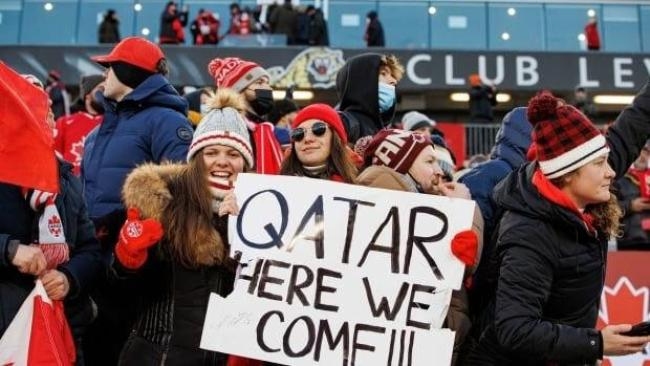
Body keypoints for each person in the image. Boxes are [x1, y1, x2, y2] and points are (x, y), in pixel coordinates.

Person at [464, 84, 650, 365]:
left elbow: (630, 130)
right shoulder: (529, 234)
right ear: (567, 176)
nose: (612, 172)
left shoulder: (585, 192)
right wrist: (595, 343)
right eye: (601, 163)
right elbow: (515, 329)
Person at [112, 89, 250, 365]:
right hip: (159, 355)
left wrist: (235, 225)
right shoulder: (164, 202)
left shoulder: (258, 212)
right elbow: (125, 292)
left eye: (233, 154)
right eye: (211, 152)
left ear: (245, 163)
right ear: (196, 159)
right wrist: (127, 261)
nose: (222, 161)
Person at [82, 36, 192, 365]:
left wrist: (133, 238)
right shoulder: (101, 128)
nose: (104, 75)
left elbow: (180, 192)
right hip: (95, 260)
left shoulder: (167, 122)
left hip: (139, 265)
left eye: (110, 68)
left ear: (130, 72)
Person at [1, 74, 103, 366]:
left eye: (46, 108)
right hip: (7, 328)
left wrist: (69, 278)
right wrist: (10, 250)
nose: (44, 114)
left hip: (61, 326)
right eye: (31, 107)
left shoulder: (65, 176)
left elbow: (89, 249)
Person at [356, 129, 481, 365]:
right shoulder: (393, 210)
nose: (439, 171)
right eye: (429, 161)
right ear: (402, 164)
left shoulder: (415, 206)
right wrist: (464, 209)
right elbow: (463, 264)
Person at [208, 57, 283, 174]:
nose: (269, 88)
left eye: (267, 83)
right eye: (260, 82)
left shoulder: (263, 128)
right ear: (238, 89)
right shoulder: (225, 125)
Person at [280, 103, 358, 183]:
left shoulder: (363, 184)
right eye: (298, 133)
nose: (307, 139)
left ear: (335, 138)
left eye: (318, 129)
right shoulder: (277, 185)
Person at [336, 53, 404, 143]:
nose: (394, 81)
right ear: (361, 81)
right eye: (383, 74)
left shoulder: (382, 130)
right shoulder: (342, 124)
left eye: (393, 76)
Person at [54, 74, 105, 176]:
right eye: (101, 89)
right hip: (71, 186)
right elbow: (55, 157)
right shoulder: (64, 122)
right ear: (87, 95)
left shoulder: (116, 121)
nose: (105, 93)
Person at [614, 140, 650, 250]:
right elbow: (609, 210)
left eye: (645, 152)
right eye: (639, 152)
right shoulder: (620, 180)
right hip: (630, 242)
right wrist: (631, 206)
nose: (642, 156)